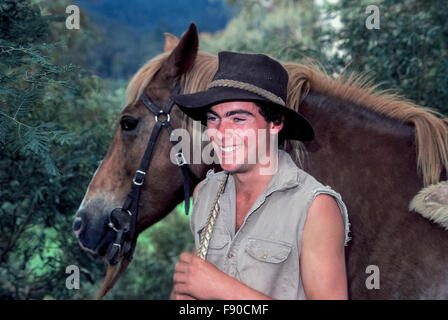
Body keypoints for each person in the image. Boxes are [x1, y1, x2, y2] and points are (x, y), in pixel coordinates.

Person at [170, 51, 350, 300]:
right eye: (213, 119)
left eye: (238, 118)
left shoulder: (315, 208)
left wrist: (224, 289)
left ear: (275, 123)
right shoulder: (206, 193)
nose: (221, 133)